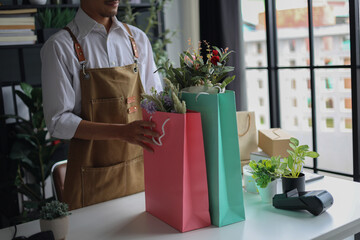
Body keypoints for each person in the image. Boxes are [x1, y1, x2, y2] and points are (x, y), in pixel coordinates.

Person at [41, 0, 162, 210]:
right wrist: (122, 132)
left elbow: (156, 103)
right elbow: (58, 122)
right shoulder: (59, 46)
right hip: (90, 183)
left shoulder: (138, 40)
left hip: (141, 178)